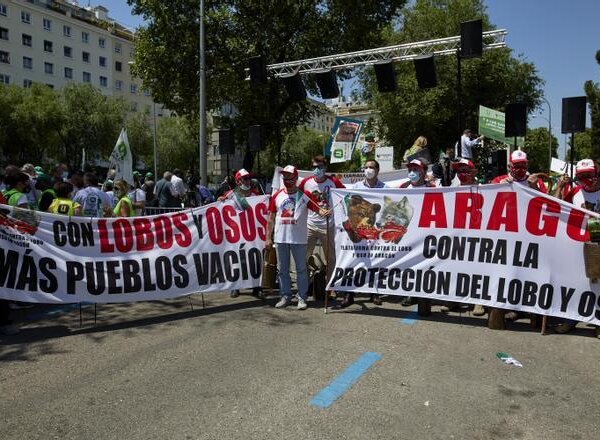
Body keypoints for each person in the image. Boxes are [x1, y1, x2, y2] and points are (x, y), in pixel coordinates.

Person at [266, 165, 328, 310]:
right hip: (281, 238)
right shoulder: (277, 195)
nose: (287, 179)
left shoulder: (305, 195)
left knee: (301, 269)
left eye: (289, 176)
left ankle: (302, 297)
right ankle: (285, 296)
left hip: (298, 238)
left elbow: (317, 209)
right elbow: (271, 218)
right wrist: (268, 238)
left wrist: (323, 212)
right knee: (282, 270)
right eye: (284, 176)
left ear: (295, 178)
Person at [554, 159, 600, 337]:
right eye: (582, 177)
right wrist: (559, 187)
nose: (588, 180)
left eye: (590, 175)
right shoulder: (574, 192)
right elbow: (554, 206)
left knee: (598, 285)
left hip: (598, 246)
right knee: (576, 282)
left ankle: (598, 322)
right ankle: (571, 319)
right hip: (577, 246)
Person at [340, 160, 386, 307]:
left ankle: (375, 293)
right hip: (357, 229)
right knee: (354, 260)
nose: (368, 170)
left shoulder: (386, 188)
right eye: (366, 167)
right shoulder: (356, 187)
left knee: (374, 261)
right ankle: (349, 294)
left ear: (377, 170)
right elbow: (347, 203)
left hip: (374, 231)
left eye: (371, 167)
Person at [299, 155, 344, 300]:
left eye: (319, 167)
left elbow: (344, 196)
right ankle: (304, 286)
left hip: (328, 225)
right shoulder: (305, 182)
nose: (316, 170)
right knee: (303, 257)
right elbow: (297, 197)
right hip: (309, 225)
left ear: (325, 168)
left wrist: (335, 209)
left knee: (331, 258)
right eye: (314, 167)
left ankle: (331, 286)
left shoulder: (333, 182)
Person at [220, 169, 263, 298]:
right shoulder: (230, 194)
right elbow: (220, 207)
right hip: (237, 233)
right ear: (238, 181)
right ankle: (236, 287)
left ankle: (257, 287)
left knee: (255, 260)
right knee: (237, 260)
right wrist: (220, 201)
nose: (248, 181)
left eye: (248, 178)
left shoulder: (256, 195)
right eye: (245, 179)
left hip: (252, 232)